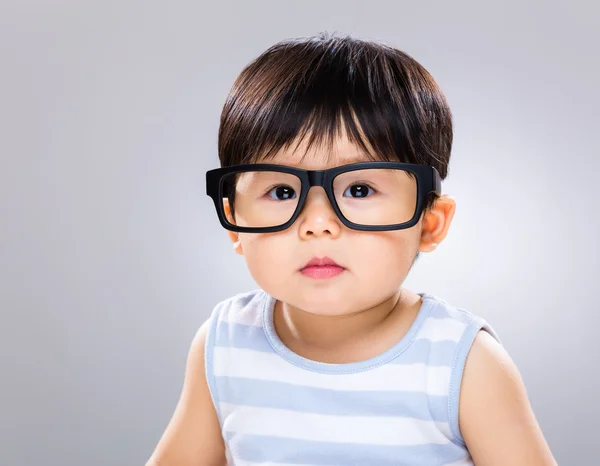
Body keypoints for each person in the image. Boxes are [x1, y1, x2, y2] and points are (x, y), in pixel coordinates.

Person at [146, 33, 556, 466]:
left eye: (359, 188)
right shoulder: (225, 343)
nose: (318, 224)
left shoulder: (462, 362)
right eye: (282, 191)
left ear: (429, 224)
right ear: (235, 224)